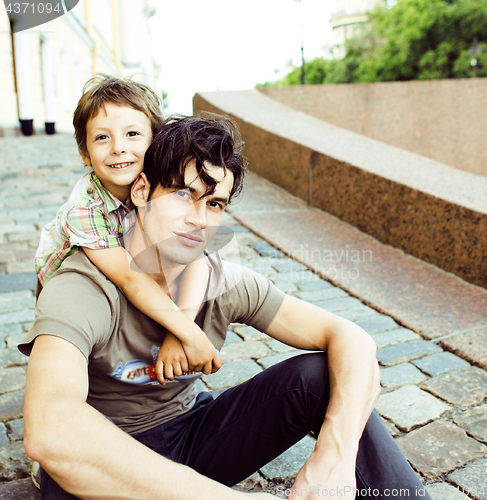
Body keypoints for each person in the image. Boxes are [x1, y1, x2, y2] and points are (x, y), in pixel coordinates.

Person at [21, 115, 432, 500]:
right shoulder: (83, 286)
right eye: (185, 194)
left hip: (191, 436)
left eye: (214, 204)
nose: (199, 219)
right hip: (106, 464)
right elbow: (50, 429)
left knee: (322, 374)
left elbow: (352, 339)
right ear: (143, 191)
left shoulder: (220, 280)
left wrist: (335, 455)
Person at [34, 75, 221, 384]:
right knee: (73, 342)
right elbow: (129, 278)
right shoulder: (84, 209)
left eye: (132, 133)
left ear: (155, 142)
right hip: (66, 276)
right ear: (85, 153)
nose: (119, 148)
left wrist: (180, 333)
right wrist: (192, 335)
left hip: (126, 263)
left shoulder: (157, 185)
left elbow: (196, 257)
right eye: (102, 138)